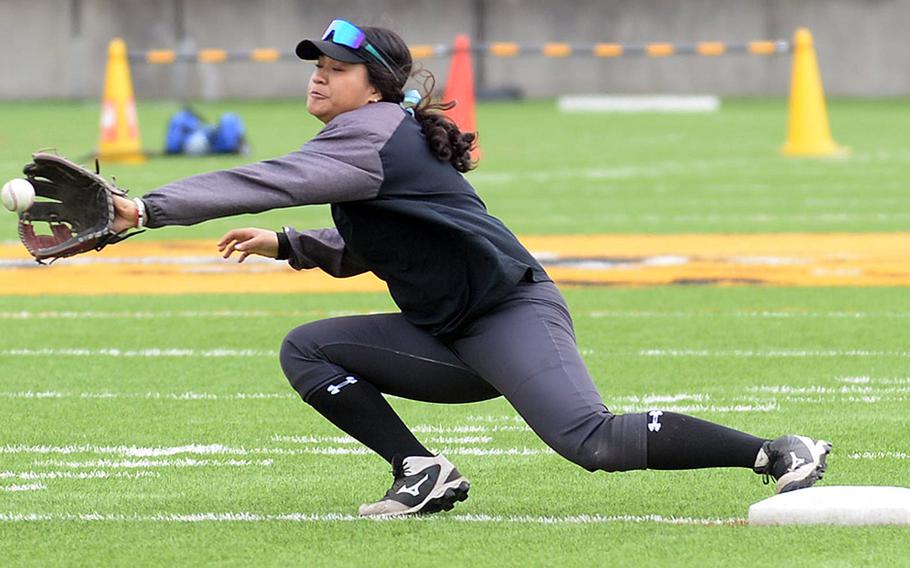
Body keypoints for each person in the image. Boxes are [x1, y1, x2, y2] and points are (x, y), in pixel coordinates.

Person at [112, 19, 831, 517]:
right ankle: (422, 472)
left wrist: (146, 209)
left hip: (508, 315)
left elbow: (267, 179)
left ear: (375, 85)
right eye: (318, 68)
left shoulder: (369, 135)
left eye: (337, 69)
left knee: (592, 441)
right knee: (309, 348)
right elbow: (381, 242)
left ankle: (775, 451)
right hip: (445, 334)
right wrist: (293, 247)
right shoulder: (369, 138)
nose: (319, 79)